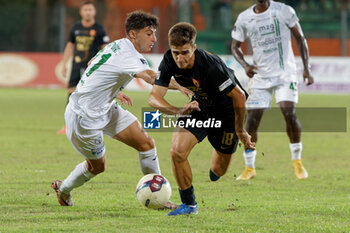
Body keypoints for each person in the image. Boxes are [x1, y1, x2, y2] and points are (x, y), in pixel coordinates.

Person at [51, 10, 190, 209]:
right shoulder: (127, 53)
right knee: (97, 167)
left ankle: (159, 196)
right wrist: (183, 86)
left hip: (106, 108)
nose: (154, 38)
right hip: (84, 117)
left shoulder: (117, 45)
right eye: (149, 33)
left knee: (146, 143)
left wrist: (112, 92)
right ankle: (64, 189)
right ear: (133, 34)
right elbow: (152, 77)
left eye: (154, 33)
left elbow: (93, 64)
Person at [148, 22, 255, 216]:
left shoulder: (211, 66)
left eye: (185, 52)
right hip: (198, 107)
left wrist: (240, 130)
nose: (180, 58)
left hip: (226, 113)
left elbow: (239, 96)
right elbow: (154, 98)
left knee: (218, 171)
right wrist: (179, 111)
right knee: (176, 152)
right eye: (175, 53)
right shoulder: (169, 60)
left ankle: (218, 153)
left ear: (194, 48)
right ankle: (189, 205)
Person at [231, 0, 314, 180]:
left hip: (286, 73)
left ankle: (297, 161)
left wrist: (306, 68)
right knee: (252, 120)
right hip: (260, 76)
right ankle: (249, 167)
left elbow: (300, 38)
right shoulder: (245, 18)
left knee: (289, 113)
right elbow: (235, 46)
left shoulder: (284, 11)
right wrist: (245, 65)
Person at [57, 1, 109, 134]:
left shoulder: (99, 29)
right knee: (71, 93)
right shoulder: (75, 28)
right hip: (76, 66)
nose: (88, 12)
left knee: (94, 95)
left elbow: (105, 49)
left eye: (90, 10)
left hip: (92, 68)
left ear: (94, 12)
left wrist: (105, 66)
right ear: (81, 12)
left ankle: (96, 124)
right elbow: (70, 46)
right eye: (85, 10)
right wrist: (64, 64)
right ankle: (68, 125)